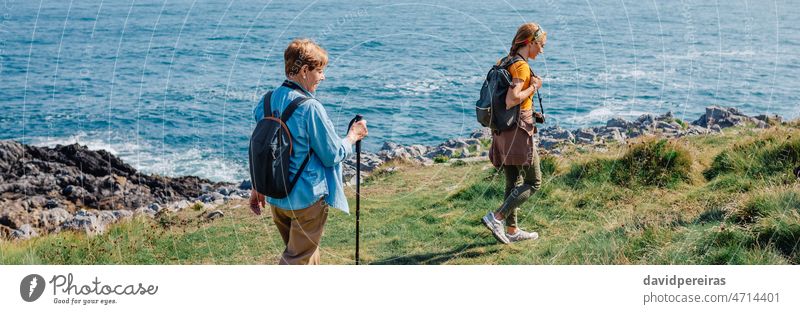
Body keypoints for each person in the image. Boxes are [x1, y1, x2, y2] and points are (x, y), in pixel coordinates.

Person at [249, 38, 368, 264]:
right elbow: (331, 154)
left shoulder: (265, 101)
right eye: (320, 71)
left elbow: (263, 149)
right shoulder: (310, 108)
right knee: (297, 260)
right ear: (305, 70)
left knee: (306, 256)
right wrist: (353, 136)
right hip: (306, 200)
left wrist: (257, 186)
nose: (322, 77)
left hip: (276, 196)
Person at [482, 22, 547, 244]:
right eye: (541, 45)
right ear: (529, 43)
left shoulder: (505, 61)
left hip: (503, 129)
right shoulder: (521, 67)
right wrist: (534, 87)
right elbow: (511, 100)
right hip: (518, 129)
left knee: (513, 180)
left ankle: (512, 230)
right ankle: (497, 217)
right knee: (534, 181)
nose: (542, 50)